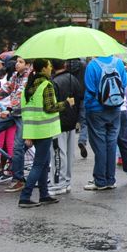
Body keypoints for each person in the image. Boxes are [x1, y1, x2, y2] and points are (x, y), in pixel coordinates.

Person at [18, 58, 73, 207]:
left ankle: (44, 195)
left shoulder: (28, 86)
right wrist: (67, 103)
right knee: (38, 165)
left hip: (32, 129)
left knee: (44, 163)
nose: (51, 68)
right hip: (44, 129)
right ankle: (25, 197)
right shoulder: (46, 85)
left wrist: (28, 134)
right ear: (43, 69)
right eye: (49, 66)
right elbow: (50, 107)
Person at [0, 55, 30, 190]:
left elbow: (20, 93)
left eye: (21, 62)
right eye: (17, 61)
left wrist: (8, 109)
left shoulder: (29, 76)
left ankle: (18, 179)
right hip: (13, 112)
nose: (17, 64)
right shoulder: (15, 75)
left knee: (17, 147)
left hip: (23, 115)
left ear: (27, 65)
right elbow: (5, 90)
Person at [83, 53, 127, 191]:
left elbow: (90, 89)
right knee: (111, 143)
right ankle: (110, 179)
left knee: (99, 145)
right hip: (115, 108)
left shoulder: (92, 65)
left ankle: (100, 180)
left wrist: (87, 106)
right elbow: (124, 84)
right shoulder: (119, 63)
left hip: (96, 110)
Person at [49, 59, 83, 195]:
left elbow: (52, 105)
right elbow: (79, 97)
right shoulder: (73, 79)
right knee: (69, 153)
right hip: (72, 120)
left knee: (58, 153)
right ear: (64, 64)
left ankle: (58, 183)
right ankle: (67, 181)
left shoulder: (53, 82)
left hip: (58, 122)